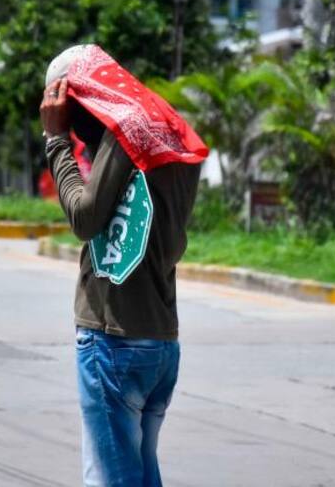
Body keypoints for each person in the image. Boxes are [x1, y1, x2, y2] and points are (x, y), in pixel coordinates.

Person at [39, 44, 207, 487]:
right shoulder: (164, 126)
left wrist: (56, 141)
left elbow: (84, 217)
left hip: (113, 340)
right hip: (159, 340)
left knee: (111, 479)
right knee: (140, 474)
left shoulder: (126, 131)